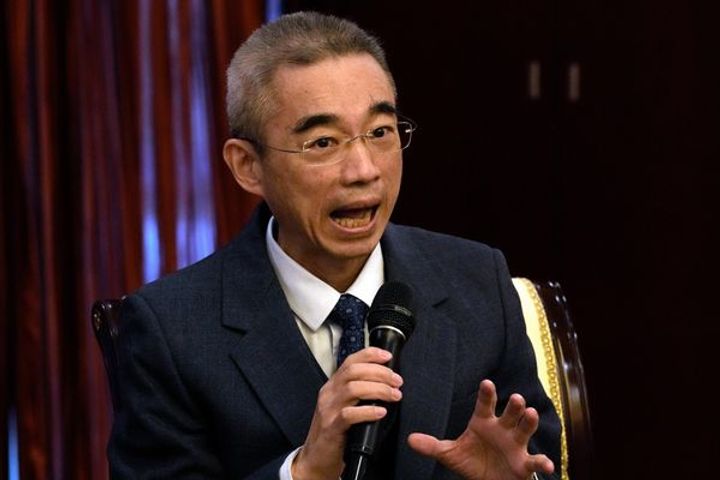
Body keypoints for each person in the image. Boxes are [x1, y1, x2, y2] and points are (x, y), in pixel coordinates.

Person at [109, 11, 561, 480]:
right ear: (248, 166)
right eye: (323, 142)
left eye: (380, 133)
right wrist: (303, 472)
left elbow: (539, 458)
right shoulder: (172, 329)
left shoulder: (476, 280)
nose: (364, 170)